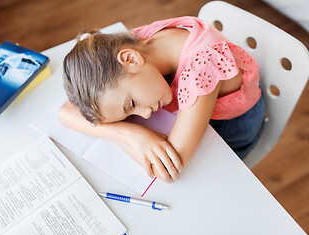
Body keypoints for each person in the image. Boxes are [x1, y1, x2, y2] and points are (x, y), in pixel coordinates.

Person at [58, 16, 265, 184]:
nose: (145, 113)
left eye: (131, 105)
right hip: (195, 108)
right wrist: (131, 134)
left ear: (131, 59)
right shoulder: (128, 50)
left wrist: (119, 133)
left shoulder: (201, 67)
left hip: (232, 126)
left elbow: (167, 168)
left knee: (206, 182)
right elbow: (66, 112)